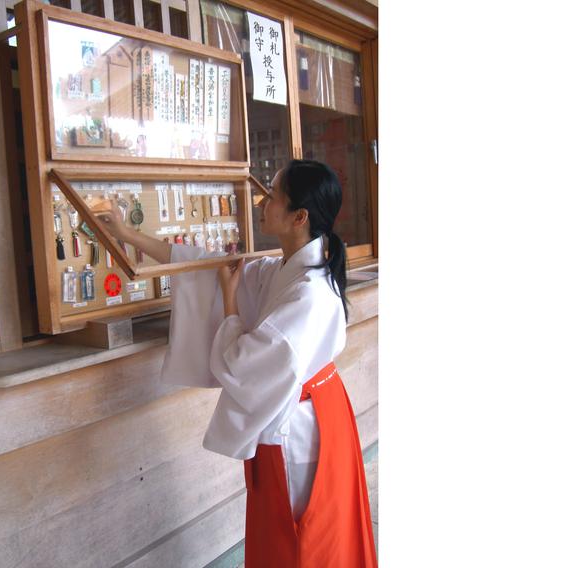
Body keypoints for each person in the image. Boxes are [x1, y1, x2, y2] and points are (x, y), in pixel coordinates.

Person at [97, 159, 376, 567]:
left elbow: (243, 365)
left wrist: (229, 303)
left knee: (305, 539)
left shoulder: (309, 294)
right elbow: (202, 265)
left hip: (302, 426)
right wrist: (125, 234)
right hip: (300, 408)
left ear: (299, 216)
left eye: (273, 197)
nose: (263, 202)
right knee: (292, 535)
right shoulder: (285, 269)